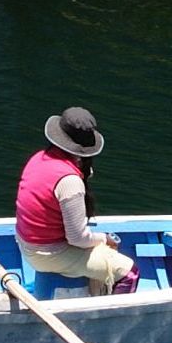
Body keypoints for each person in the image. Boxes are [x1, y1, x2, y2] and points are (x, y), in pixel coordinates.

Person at [14, 106, 137, 296]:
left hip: (26, 244)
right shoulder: (70, 181)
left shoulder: (38, 158)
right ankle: (105, 317)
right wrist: (104, 238)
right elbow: (77, 238)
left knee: (97, 248)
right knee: (130, 273)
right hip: (47, 254)